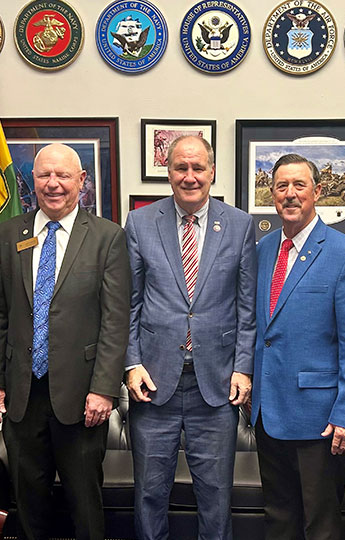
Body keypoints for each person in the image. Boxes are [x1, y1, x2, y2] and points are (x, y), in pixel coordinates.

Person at [0, 143, 130, 540]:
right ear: (33, 181)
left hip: (82, 399)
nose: (53, 184)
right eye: (44, 175)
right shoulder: (9, 234)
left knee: (84, 504)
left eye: (63, 175)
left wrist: (103, 390)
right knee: (29, 504)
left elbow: (115, 321)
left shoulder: (107, 237)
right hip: (22, 395)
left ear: (81, 181)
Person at [125, 135, 257, 540]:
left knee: (216, 496)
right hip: (153, 384)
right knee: (149, 493)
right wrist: (131, 364)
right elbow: (127, 304)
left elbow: (247, 308)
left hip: (215, 386)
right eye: (181, 168)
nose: (190, 176)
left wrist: (242, 368)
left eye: (198, 168)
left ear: (212, 172)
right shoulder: (140, 222)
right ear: (168, 172)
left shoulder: (239, 224)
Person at [252, 153, 345, 539]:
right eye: (282, 186)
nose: (290, 195)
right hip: (268, 412)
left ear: (318, 192)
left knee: (320, 524)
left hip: (320, 420)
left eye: (299, 185)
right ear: (272, 194)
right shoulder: (263, 250)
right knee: (278, 517)